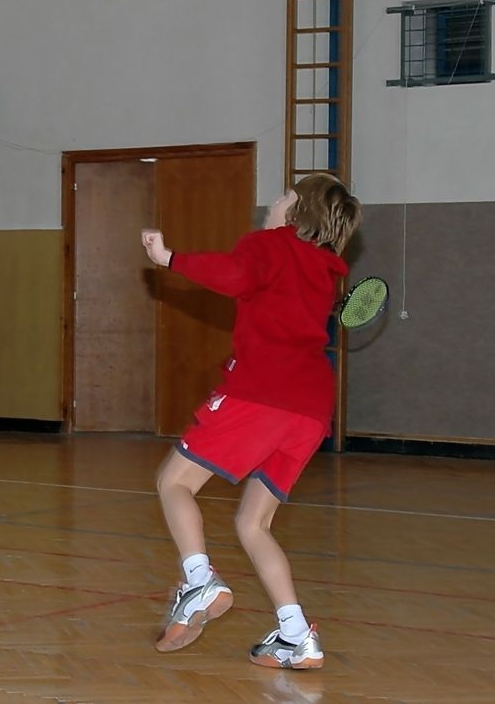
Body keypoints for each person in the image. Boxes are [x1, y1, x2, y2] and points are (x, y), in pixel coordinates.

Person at [140, 172, 362, 670]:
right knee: (253, 523)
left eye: (284, 195)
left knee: (173, 481)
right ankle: (296, 636)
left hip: (262, 394)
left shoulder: (271, 244)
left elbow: (234, 276)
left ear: (296, 211)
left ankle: (199, 581)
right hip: (310, 411)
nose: (274, 201)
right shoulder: (325, 268)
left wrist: (169, 258)